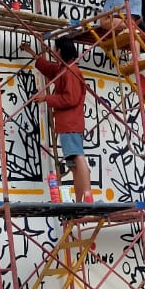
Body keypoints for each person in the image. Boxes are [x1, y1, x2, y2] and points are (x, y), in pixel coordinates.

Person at [21, 35, 93, 204]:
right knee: (73, 165)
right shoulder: (64, 69)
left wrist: (46, 98)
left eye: (55, 49)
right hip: (67, 124)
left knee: (78, 157)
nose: (53, 51)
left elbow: (70, 99)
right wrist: (32, 53)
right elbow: (49, 68)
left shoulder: (70, 72)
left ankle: (88, 197)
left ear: (60, 50)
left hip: (70, 123)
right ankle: (80, 201)